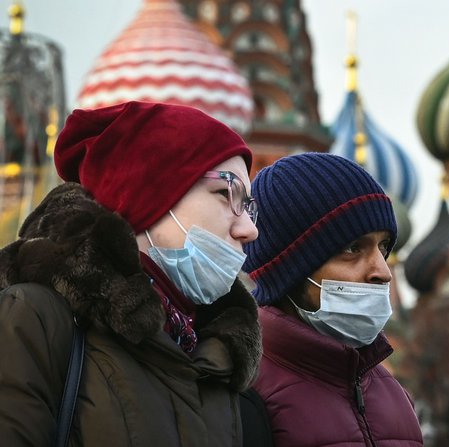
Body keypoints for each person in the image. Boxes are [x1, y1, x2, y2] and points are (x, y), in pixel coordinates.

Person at [0, 101, 263, 446]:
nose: (249, 229)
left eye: (248, 206)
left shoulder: (216, 357)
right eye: (226, 193)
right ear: (146, 192)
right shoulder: (35, 319)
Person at [243, 152, 424, 446]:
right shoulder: (242, 398)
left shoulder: (391, 393)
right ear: (290, 270)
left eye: (383, 247)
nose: (383, 271)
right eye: (353, 248)